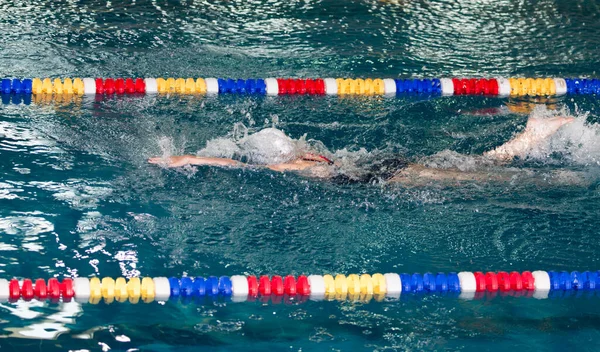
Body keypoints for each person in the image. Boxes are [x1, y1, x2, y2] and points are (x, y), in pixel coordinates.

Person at [148, 115, 575, 185]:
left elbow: (224, 161)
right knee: (468, 168)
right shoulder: (307, 153)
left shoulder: (287, 169)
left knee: (475, 177)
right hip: (376, 166)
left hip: (384, 177)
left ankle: (536, 147)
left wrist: (184, 158)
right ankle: (529, 138)